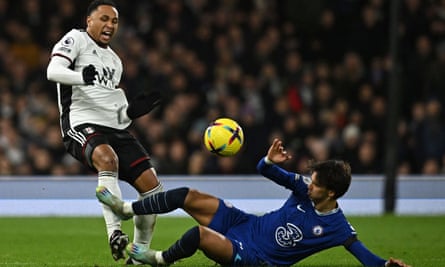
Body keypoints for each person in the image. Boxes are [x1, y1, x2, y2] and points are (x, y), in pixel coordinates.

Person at [96, 138, 411, 267]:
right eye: (311, 178)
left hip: (255, 258)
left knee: (198, 236)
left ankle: (158, 259)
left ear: (331, 193)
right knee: (186, 195)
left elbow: (364, 256)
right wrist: (269, 160)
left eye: (316, 183)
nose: (309, 183)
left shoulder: (337, 226)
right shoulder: (304, 188)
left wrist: (385, 265)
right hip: (244, 224)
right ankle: (126, 208)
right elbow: (265, 170)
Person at [46, 0, 163, 263]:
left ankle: (138, 253)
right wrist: (81, 78)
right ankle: (115, 234)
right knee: (108, 160)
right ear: (89, 21)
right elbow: (52, 71)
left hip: (113, 128)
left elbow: (117, 113)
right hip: (80, 123)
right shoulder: (76, 39)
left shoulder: (115, 61)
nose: (109, 25)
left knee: (152, 187)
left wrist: (132, 112)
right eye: (104, 19)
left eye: (114, 21)